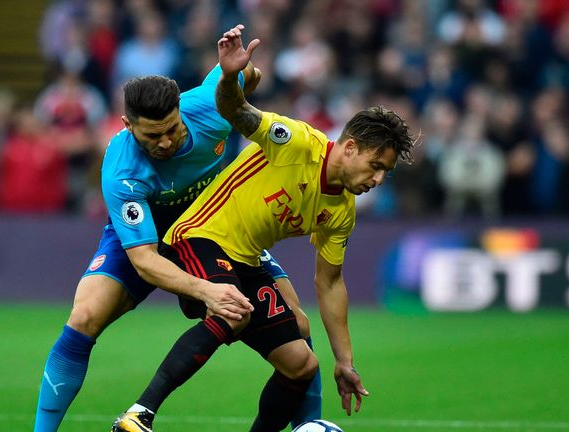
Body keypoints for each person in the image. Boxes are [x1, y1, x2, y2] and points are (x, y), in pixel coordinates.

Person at [112, 24, 415, 432]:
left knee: (301, 362)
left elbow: (330, 283)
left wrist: (344, 361)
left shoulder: (341, 210)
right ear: (349, 147)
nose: (377, 179)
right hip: (199, 236)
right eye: (376, 165)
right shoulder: (296, 142)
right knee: (233, 308)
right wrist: (231, 76)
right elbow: (235, 112)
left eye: (386, 173)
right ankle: (138, 415)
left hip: (247, 258)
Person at [33, 56, 323, 430]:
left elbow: (248, 76)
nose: (166, 142)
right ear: (127, 125)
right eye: (152, 136)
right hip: (148, 237)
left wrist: (239, 71)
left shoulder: (207, 106)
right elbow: (144, 261)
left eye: (173, 129)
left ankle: (312, 426)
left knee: (298, 324)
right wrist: (206, 291)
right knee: (84, 317)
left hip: (216, 230)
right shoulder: (122, 170)